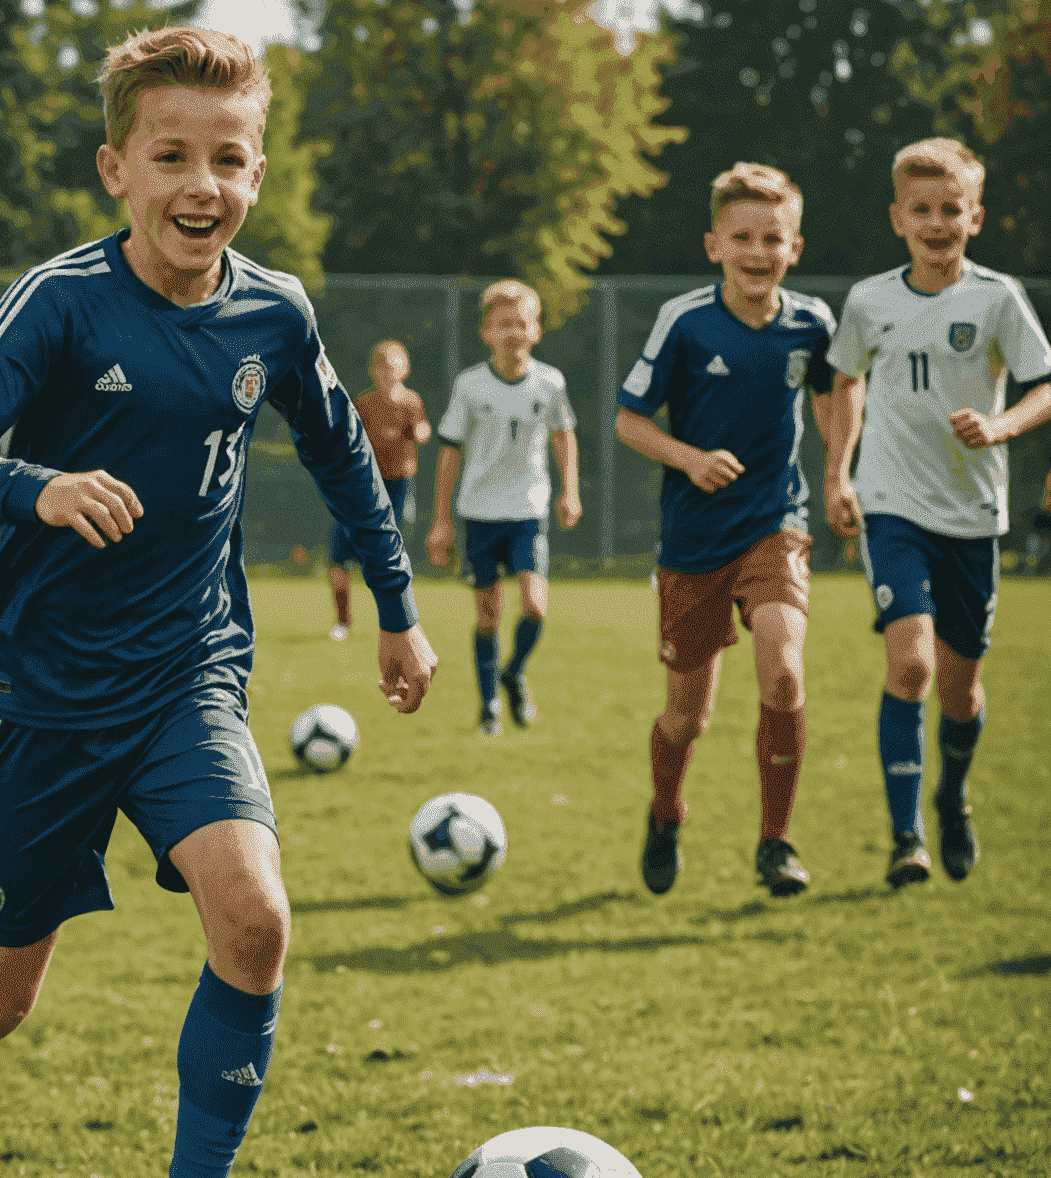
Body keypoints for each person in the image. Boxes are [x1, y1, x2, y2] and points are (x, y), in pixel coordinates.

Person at [0, 26, 438, 1178]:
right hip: (48, 700)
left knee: (257, 921)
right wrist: (39, 488)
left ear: (257, 172)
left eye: (228, 157)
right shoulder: (59, 300)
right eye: (172, 155)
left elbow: (341, 460)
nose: (200, 183)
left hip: (187, 681)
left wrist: (396, 610)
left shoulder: (275, 312)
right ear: (118, 166)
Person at [823, 138, 1051, 888]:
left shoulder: (997, 298)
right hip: (892, 507)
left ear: (975, 217)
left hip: (973, 515)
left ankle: (951, 798)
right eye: (921, 210)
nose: (936, 222)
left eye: (951, 209)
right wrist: (840, 475)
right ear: (898, 219)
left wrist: (1003, 427)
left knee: (960, 690)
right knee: (911, 664)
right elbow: (846, 382)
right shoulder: (868, 301)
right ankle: (906, 837)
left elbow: (1043, 385)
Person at [615, 163, 836, 898]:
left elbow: (839, 396)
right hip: (693, 543)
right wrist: (689, 458)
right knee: (686, 717)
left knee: (782, 666)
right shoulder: (685, 321)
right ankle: (666, 812)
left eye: (773, 237)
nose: (758, 250)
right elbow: (628, 419)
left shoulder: (812, 325)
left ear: (795, 246)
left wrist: (841, 474)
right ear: (715, 245)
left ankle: (775, 843)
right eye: (742, 236)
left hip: (775, 524)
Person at [425, 280, 581, 734]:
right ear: (486, 332)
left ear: (536, 330)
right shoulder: (470, 385)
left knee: (535, 605)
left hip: (528, 511)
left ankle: (513, 672)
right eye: (503, 324)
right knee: (488, 615)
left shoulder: (550, 382)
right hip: (479, 514)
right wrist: (441, 522)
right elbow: (450, 450)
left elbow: (563, 434)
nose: (513, 332)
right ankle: (489, 703)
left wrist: (570, 490)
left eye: (521, 323)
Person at [327, 339, 429, 639]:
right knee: (338, 560)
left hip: (397, 487)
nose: (387, 371)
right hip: (362, 487)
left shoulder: (411, 402)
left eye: (393, 365)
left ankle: (399, 622)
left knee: (388, 556)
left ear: (405, 369)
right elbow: (351, 439)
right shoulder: (365, 403)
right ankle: (343, 621)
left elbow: (420, 429)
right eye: (381, 365)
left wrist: (421, 432)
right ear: (373, 371)